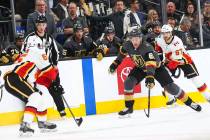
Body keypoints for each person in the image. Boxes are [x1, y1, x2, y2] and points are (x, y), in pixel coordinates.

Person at [108, 28, 201, 117]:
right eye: (133, 39)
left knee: (170, 88)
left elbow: (150, 65)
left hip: (156, 68)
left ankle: (190, 103)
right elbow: (121, 55)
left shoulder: (147, 47)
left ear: (141, 38)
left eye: (137, 39)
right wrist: (114, 65)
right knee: (128, 82)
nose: (135, 41)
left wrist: (150, 78)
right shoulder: (127, 45)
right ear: (130, 39)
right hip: (140, 67)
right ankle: (128, 107)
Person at [3, 36, 58, 136]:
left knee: (39, 96)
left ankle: (42, 123)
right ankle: (25, 125)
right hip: (15, 78)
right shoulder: (38, 53)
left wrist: (49, 83)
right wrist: (55, 80)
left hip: (15, 79)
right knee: (35, 96)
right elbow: (51, 74)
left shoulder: (27, 54)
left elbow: (36, 78)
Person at [23, 15, 67, 118]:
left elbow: (55, 52)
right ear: (36, 25)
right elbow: (24, 52)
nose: (41, 27)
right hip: (34, 70)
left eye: (43, 24)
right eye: (39, 25)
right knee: (34, 92)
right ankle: (31, 115)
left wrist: (55, 64)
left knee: (55, 88)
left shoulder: (49, 38)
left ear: (46, 25)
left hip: (47, 69)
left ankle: (62, 111)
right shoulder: (30, 38)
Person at [155, 24, 210, 105]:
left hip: (184, 60)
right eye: (163, 33)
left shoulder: (177, 42)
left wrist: (166, 63)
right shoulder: (159, 39)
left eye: (167, 33)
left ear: (171, 33)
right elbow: (158, 50)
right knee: (164, 77)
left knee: (195, 79)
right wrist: (159, 60)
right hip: (170, 59)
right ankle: (171, 97)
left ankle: (207, 96)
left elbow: (177, 59)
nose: (165, 35)